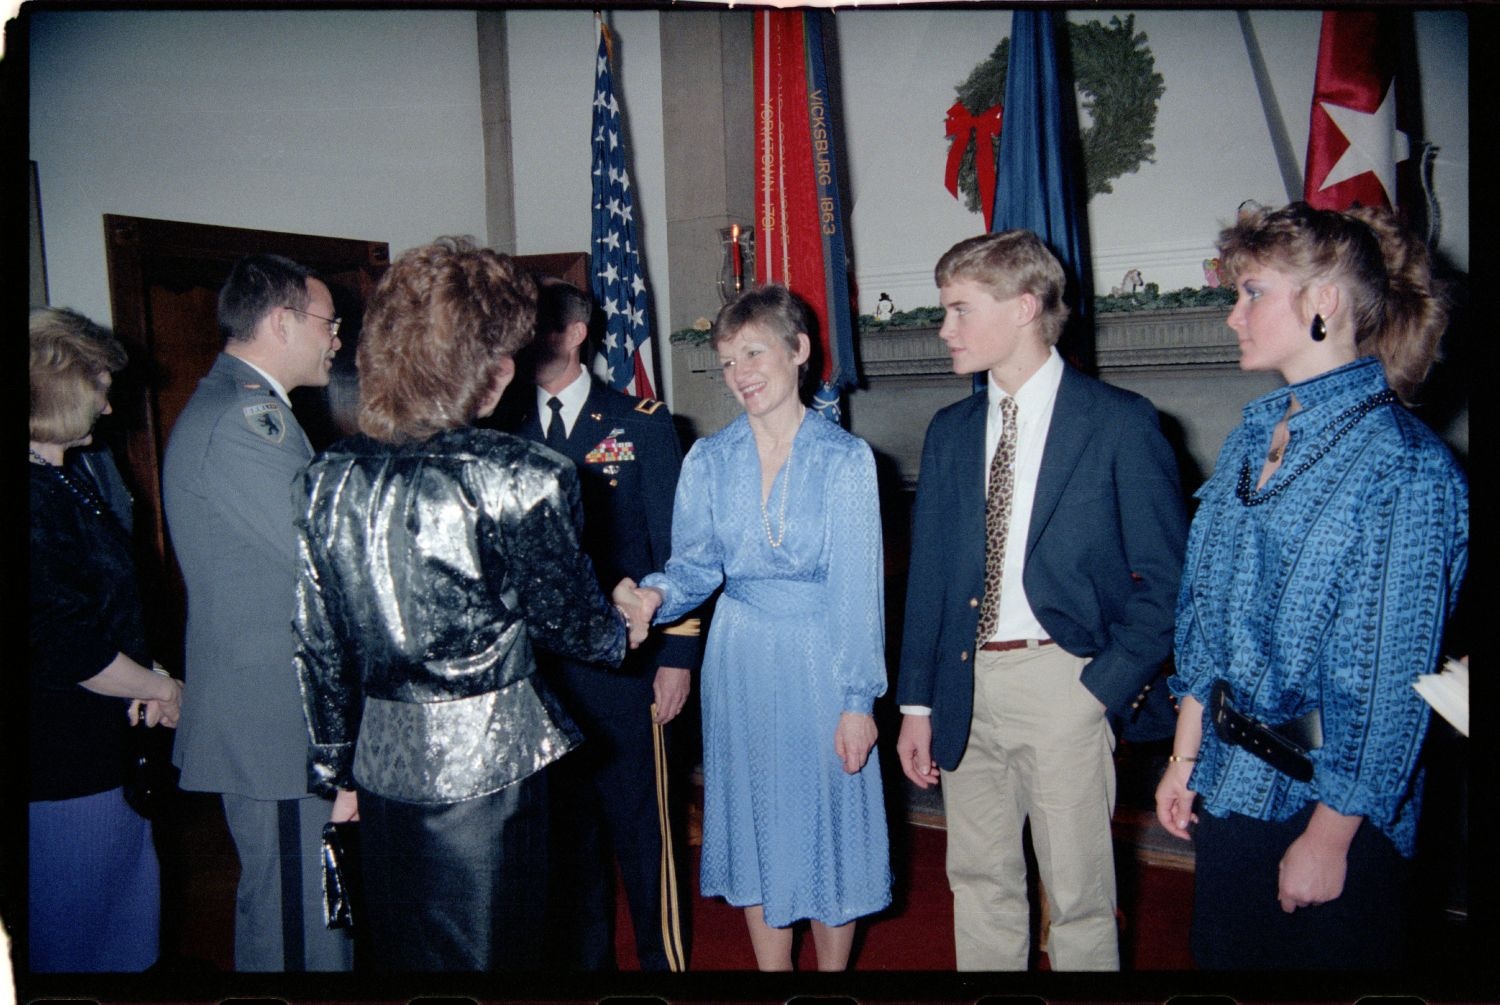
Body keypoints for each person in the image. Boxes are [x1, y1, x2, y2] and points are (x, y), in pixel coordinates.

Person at [292, 237, 633, 972]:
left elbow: (319, 646)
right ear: (491, 370)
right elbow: (582, 631)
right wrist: (624, 617)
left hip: (381, 767)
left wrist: (337, 776)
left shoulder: (327, 479)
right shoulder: (520, 475)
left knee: (402, 957)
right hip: (495, 777)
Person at [1154, 202, 1468, 970]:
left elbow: (1393, 683)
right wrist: (1185, 757)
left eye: (1252, 291)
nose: (1233, 315)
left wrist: (1330, 836)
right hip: (1233, 788)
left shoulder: (1405, 466)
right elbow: (1208, 619)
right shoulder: (1251, 440)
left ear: (1323, 301)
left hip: (1328, 807)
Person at [895, 230, 1187, 971]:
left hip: (1065, 682)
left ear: (1025, 306)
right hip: (965, 685)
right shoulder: (952, 430)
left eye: (960, 309)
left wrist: (1099, 688)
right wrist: (917, 704)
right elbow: (928, 576)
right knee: (979, 882)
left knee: (1082, 897)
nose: (944, 329)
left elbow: (1170, 581)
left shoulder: (1119, 422)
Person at [616, 284, 891, 972]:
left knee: (830, 826)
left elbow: (859, 591)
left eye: (754, 352)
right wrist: (652, 597)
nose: (740, 373)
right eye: (728, 358)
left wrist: (859, 701)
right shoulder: (709, 458)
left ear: (799, 352)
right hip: (740, 660)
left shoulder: (845, 459)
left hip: (821, 658)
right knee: (759, 819)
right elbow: (694, 566)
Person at [494, 278, 700, 972]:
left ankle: (665, 968)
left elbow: (677, 550)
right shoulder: (505, 432)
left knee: (643, 832)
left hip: (627, 671)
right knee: (566, 841)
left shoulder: (639, 422)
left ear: (578, 332)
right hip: (542, 678)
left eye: (544, 326)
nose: (529, 340)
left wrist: (678, 655)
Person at [162, 253, 353, 972]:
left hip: (275, 715)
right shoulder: (247, 420)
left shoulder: (247, 408)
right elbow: (323, 554)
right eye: (328, 322)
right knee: (298, 933)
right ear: (282, 321)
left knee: (304, 918)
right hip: (274, 723)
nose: (337, 339)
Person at [28, 307, 183, 972]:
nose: (110, 399)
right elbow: (66, 642)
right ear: (60, 384)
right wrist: (161, 685)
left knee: (125, 932)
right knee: (77, 942)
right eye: (99, 382)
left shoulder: (65, 475)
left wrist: (147, 668)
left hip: (102, 751)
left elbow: (103, 607)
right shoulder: (31, 493)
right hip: (63, 762)